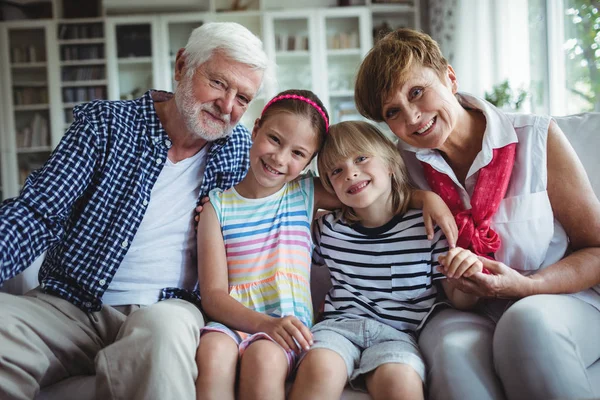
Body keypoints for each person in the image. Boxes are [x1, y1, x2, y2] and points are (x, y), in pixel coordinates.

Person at [0, 22, 273, 400]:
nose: (227, 107)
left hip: (168, 308)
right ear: (182, 66)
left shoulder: (242, 150)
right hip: (71, 304)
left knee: (163, 336)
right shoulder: (105, 125)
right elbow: (36, 212)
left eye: (243, 98)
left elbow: (302, 181)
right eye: (219, 84)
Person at [353, 28, 600, 400]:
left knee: (526, 320)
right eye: (393, 112)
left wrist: (527, 287)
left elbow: (596, 248)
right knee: (453, 352)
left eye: (416, 92)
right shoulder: (398, 166)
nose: (413, 116)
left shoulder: (535, 138)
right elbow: (329, 185)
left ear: (449, 77)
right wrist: (421, 197)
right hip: (467, 309)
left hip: (558, 298)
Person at [287, 121, 481, 400]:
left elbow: (458, 298)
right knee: (320, 370)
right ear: (330, 186)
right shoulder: (327, 229)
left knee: (401, 384)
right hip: (337, 328)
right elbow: (284, 214)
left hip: (398, 335)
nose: (351, 173)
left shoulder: (427, 226)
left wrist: (466, 274)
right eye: (336, 171)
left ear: (391, 163)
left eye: (361, 158)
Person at [194, 89, 337, 400]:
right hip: (233, 321)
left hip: (286, 326)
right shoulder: (216, 207)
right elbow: (214, 296)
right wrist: (262, 324)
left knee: (263, 358)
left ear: (310, 161)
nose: (280, 158)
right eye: (274, 139)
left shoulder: (303, 194)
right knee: (212, 350)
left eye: (298, 153)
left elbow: (368, 190)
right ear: (256, 128)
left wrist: (423, 197)